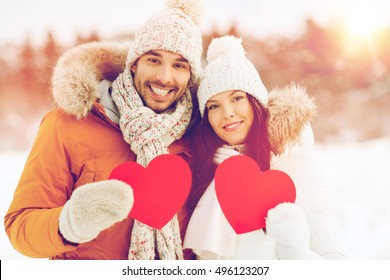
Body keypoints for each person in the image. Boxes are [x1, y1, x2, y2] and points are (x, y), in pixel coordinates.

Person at [4, 0, 203, 260]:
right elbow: (21, 227)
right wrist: (69, 223)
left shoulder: (199, 130)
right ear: (134, 64)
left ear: (191, 75)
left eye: (180, 65)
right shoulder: (68, 125)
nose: (165, 77)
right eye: (154, 60)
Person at [183, 35, 346, 259]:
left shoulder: (297, 162)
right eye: (214, 106)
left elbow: (336, 260)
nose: (227, 112)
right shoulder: (206, 169)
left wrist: (297, 255)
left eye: (237, 98)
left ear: (256, 102)